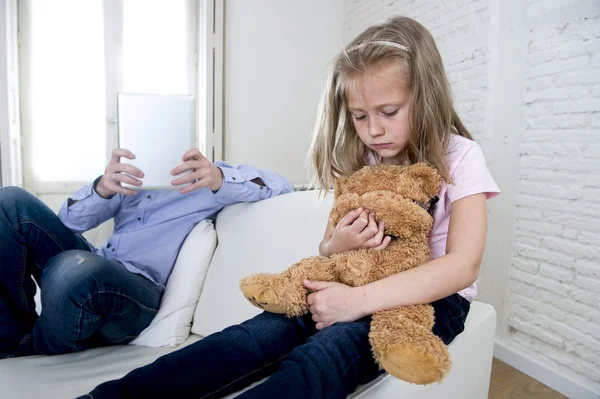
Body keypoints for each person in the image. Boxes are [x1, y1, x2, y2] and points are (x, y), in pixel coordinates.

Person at [80, 15, 500, 399]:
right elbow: (327, 248)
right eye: (358, 116)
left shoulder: (460, 156)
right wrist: (338, 244)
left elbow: (463, 266)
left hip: (428, 302)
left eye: (388, 112)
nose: (373, 130)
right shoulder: (367, 162)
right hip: (349, 283)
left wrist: (359, 302)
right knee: (246, 340)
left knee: (326, 354)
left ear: (425, 96)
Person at [0, 147, 293, 358]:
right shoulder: (132, 180)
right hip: (96, 264)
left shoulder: (209, 178)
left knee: (74, 269)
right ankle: (12, 338)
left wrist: (218, 178)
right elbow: (68, 222)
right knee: (9, 200)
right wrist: (103, 187)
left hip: (136, 292)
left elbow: (281, 188)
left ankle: (35, 344)